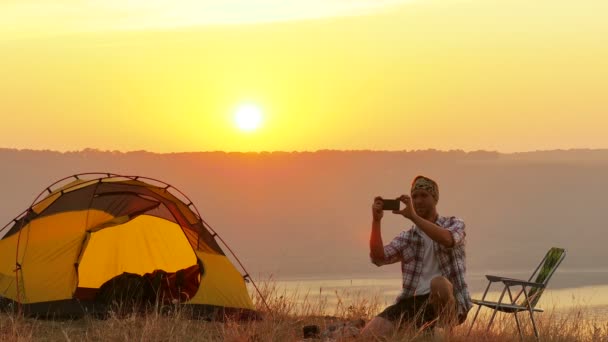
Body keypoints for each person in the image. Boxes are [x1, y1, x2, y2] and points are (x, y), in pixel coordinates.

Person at [361, 175, 472, 339]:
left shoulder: (454, 224)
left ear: (435, 198)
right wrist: (376, 221)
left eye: (424, 195)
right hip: (413, 302)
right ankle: (424, 332)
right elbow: (378, 258)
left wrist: (414, 217)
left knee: (439, 283)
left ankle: (445, 335)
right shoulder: (407, 237)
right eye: (414, 197)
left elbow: (448, 239)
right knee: (368, 335)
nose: (418, 201)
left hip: (451, 301)